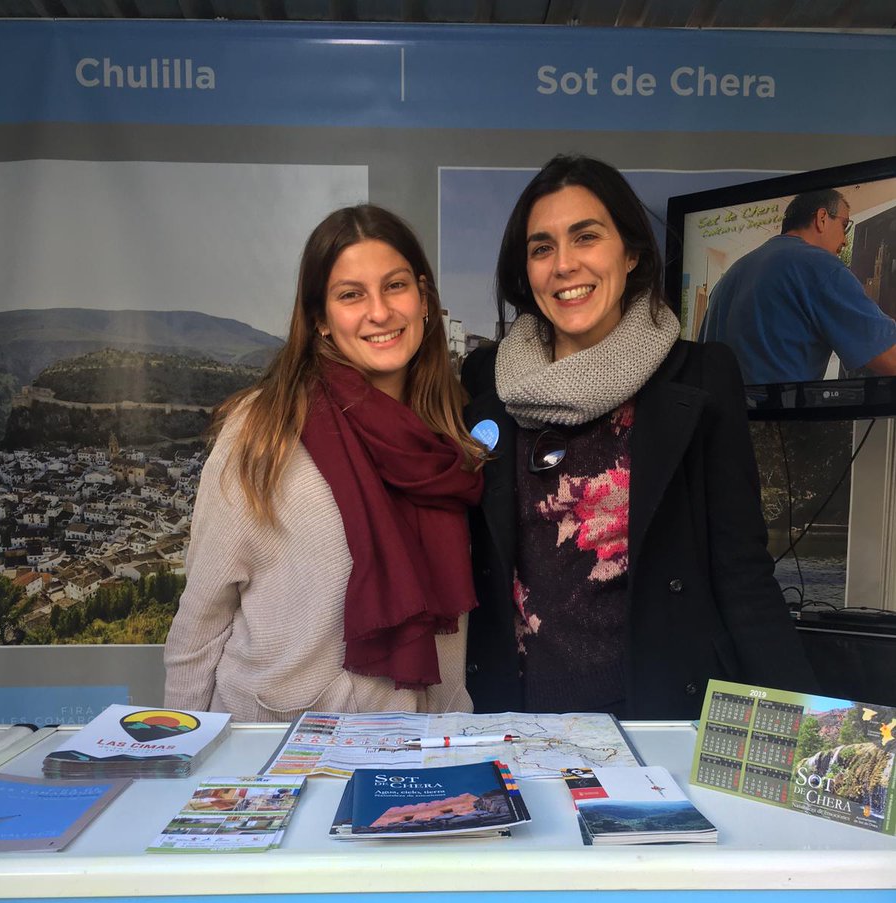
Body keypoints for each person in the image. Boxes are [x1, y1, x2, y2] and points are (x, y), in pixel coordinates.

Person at [462, 154, 814, 719]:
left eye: (586, 237)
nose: (564, 265)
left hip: (652, 720)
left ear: (630, 253)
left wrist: (799, 725)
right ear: (525, 271)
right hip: (515, 720)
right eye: (542, 247)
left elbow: (742, 571)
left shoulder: (700, 377)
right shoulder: (487, 383)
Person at [164, 205, 483, 721]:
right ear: (321, 320)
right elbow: (201, 622)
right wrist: (181, 751)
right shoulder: (264, 429)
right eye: (351, 295)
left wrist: (449, 735)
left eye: (395, 286)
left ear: (424, 300)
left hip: (408, 746)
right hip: (273, 745)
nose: (379, 312)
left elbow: (450, 631)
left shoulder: (446, 435)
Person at [699, 187, 896, 385]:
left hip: (714, 404)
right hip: (777, 406)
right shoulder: (820, 266)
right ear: (822, 218)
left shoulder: (727, 279)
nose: (845, 241)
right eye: (844, 225)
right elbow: (890, 357)